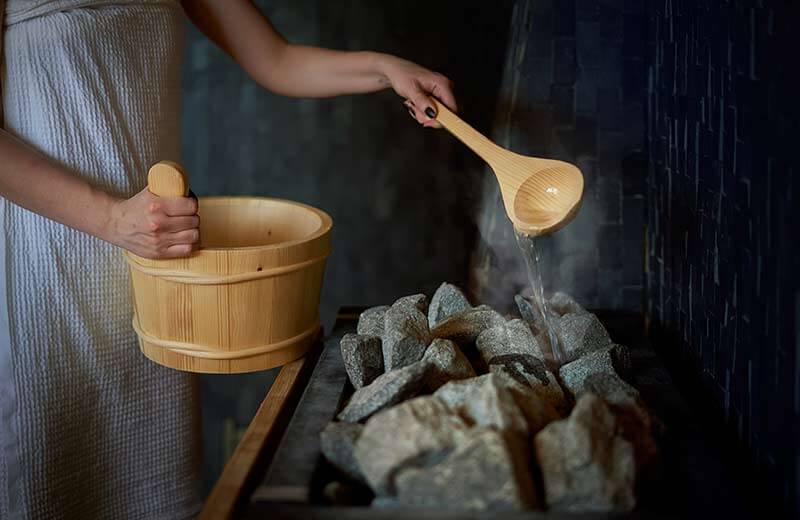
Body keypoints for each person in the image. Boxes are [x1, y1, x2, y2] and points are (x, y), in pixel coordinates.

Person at [0, 0, 457, 517]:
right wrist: (109, 220)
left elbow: (276, 59)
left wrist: (385, 68)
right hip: (47, 268)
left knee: (151, 493)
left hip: (160, 267)